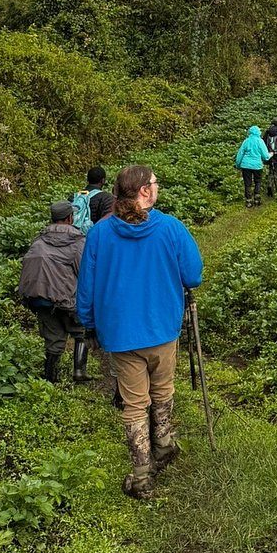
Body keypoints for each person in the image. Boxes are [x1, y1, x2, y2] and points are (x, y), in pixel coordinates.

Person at [76, 165, 203, 500]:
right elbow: (193, 275)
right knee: (163, 390)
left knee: (134, 403)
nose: (158, 188)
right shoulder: (171, 229)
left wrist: (88, 325)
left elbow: (86, 288)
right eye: (156, 184)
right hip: (162, 328)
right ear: (145, 191)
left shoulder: (100, 234)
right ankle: (163, 444)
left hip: (119, 334)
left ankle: (142, 475)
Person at [18, 201, 88, 383]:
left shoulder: (38, 241)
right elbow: (85, 272)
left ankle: (50, 380)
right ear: (69, 218)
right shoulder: (78, 241)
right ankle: (79, 372)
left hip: (41, 298)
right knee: (81, 331)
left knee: (53, 340)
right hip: (68, 299)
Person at [234, 125, 272, 207]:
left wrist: (238, 164)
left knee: (247, 183)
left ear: (250, 132)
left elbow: (240, 154)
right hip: (257, 166)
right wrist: (271, 154)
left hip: (246, 165)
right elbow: (265, 156)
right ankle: (257, 199)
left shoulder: (246, 141)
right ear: (258, 132)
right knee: (257, 181)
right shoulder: (260, 141)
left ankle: (248, 201)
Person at [70, 167, 108, 234]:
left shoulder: (74, 196)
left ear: (87, 179)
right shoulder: (105, 198)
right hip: (93, 237)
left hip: (73, 236)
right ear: (103, 180)